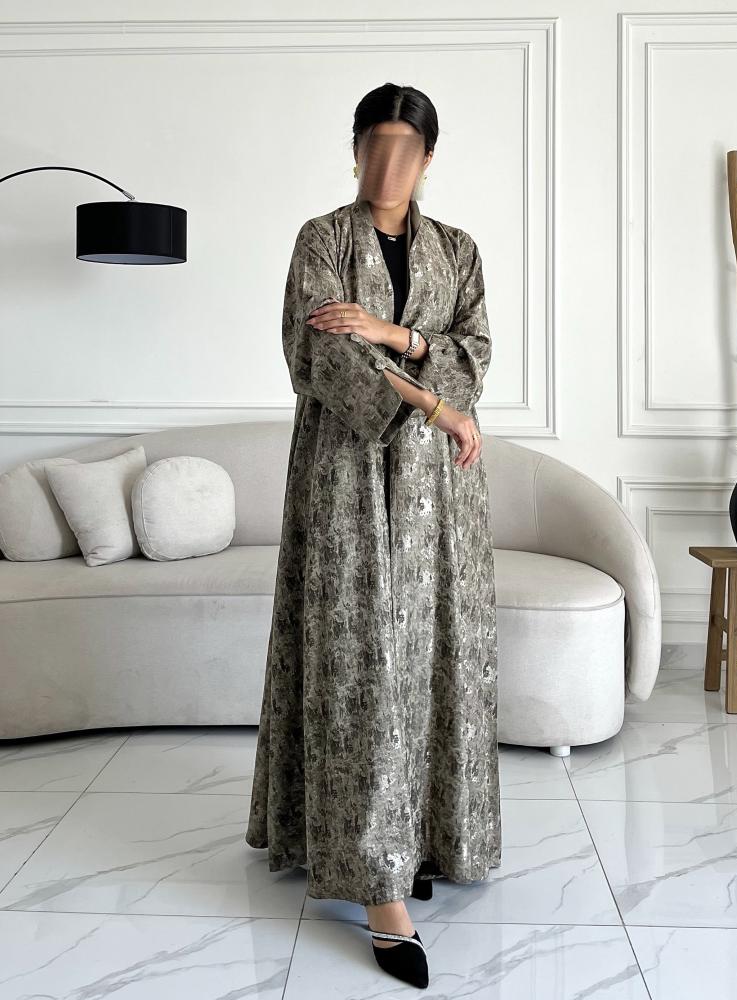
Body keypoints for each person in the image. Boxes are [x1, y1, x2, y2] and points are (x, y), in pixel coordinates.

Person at [245, 82, 502, 990]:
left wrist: (398, 333)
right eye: (375, 145)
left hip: (439, 491)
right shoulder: (321, 240)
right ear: (354, 149)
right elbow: (324, 353)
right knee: (360, 665)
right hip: (344, 478)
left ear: (428, 160)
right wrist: (433, 398)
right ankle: (376, 883)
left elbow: (474, 349)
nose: (388, 165)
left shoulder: (458, 250)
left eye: (407, 149)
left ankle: (422, 836)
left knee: (433, 660)